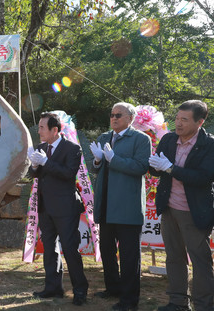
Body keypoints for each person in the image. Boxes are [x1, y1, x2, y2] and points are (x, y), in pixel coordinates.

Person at [148, 100, 214, 311]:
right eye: (177, 118)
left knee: (200, 260)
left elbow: (205, 177)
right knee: (174, 257)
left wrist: (171, 169)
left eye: (184, 120)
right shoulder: (168, 139)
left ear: (200, 121)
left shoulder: (209, 144)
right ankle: (177, 303)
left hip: (194, 211)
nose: (178, 123)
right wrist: (155, 166)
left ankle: (204, 305)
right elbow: (158, 170)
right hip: (169, 208)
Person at [89, 102, 151, 311]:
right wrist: (97, 161)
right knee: (106, 251)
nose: (113, 118)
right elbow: (96, 168)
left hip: (127, 207)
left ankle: (129, 299)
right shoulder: (105, 137)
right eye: (111, 114)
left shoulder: (141, 139)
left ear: (130, 118)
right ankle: (112, 288)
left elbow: (142, 167)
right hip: (106, 204)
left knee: (129, 256)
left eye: (118, 115)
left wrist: (114, 159)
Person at [28, 112, 88, 306]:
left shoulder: (72, 148)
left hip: (65, 207)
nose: (39, 131)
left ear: (55, 130)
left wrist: (46, 162)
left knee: (70, 249)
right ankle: (53, 287)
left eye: (42, 127)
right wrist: (35, 165)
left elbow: (69, 174)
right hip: (45, 206)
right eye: (39, 127)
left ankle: (80, 290)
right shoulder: (41, 147)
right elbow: (34, 174)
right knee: (49, 249)